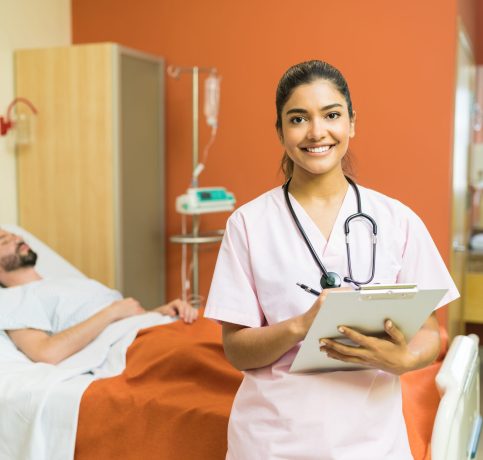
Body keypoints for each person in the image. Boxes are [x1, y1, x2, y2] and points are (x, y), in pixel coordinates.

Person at [204, 60, 459, 459]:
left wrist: (405, 358)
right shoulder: (248, 224)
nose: (316, 132)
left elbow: (431, 330)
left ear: (352, 123)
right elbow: (236, 350)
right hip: (273, 440)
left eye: (332, 115)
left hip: (372, 442)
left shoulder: (397, 219)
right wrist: (301, 326)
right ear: (280, 131)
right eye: (298, 118)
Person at [0, 227, 198, 364]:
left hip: (152, 327)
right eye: (4, 240)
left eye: (15, 235)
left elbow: (118, 317)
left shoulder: (63, 282)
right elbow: (46, 353)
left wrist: (160, 311)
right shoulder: (13, 300)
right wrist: (112, 312)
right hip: (132, 345)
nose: (18, 239)